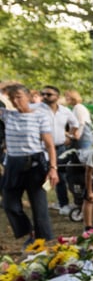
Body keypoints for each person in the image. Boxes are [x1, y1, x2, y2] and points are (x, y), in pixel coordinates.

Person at [1, 83, 59, 243]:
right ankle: (28, 232)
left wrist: (53, 168)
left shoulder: (39, 115)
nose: (15, 101)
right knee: (9, 204)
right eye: (12, 98)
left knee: (39, 208)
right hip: (13, 164)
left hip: (34, 164)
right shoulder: (7, 115)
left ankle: (45, 242)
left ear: (28, 97)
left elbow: (49, 145)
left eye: (19, 97)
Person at [39, 84, 80, 215]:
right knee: (40, 177)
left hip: (60, 148)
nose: (45, 96)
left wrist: (69, 136)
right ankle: (40, 205)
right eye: (43, 94)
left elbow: (75, 124)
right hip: (42, 149)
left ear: (57, 96)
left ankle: (63, 204)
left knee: (61, 177)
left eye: (49, 94)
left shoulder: (64, 111)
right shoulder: (36, 109)